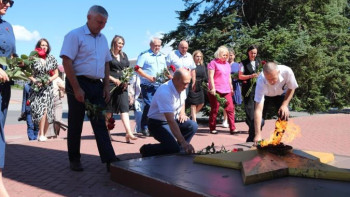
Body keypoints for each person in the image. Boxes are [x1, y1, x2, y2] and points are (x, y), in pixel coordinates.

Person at [60, 5, 118, 172]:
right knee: (76, 122)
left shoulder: (103, 38)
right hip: (77, 81)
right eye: (99, 22)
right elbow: (67, 62)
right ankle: (74, 159)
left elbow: (107, 63)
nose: (102, 26)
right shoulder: (74, 35)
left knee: (100, 121)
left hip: (96, 84)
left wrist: (106, 85)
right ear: (88, 17)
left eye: (105, 23)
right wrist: (77, 89)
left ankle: (109, 160)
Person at [139, 68, 197, 157]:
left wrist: (182, 113)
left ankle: (180, 149)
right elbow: (170, 120)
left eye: (188, 83)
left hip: (173, 119)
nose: (186, 86)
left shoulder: (181, 86)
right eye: (184, 83)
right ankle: (147, 149)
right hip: (157, 124)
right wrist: (183, 141)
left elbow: (182, 101)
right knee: (172, 148)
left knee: (192, 125)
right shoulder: (165, 92)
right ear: (175, 80)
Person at [253, 62, 298, 143]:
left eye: (273, 78)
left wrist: (284, 105)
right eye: (268, 79)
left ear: (278, 72)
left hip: (281, 94)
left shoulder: (287, 72)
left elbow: (292, 88)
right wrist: (258, 134)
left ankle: (276, 141)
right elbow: (258, 110)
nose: (272, 82)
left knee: (283, 115)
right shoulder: (261, 80)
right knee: (260, 121)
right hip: (266, 95)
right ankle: (254, 139)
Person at [135, 38, 168, 136]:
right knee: (149, 105)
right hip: (147, 85)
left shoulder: (162, 56)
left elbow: (165, 70)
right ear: (151, 45)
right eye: (155, 45)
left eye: (159, 45)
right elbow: (137, 69)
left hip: (159, 85)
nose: (157, 47)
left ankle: (153, 127)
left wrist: (172, 78)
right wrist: (148, 77)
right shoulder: (144, 55)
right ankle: (144, 127)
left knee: (157, 106)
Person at [106, 35, 137, 142]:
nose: (121, 45)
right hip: (110, 85)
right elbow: (102, 71)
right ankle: (107, 133)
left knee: (125, 109)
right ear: (114, 43)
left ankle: (129, 132)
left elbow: (127, 70)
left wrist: (126, 81)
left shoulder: (124, 56)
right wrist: (114, 80)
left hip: (122, 86)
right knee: (109, 111)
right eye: (119, 43)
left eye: (122, 43)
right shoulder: (107, 54)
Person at [28, 38, 59, 142]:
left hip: (48, 88)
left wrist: (49, 79)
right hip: (37, 88)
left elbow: (56, 73)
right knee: (39, 111)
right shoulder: (33, 58)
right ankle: (40, 133)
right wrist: (36, 81)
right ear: (38, 46)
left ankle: (43, 134)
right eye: (42, 45)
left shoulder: (52, 58)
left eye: (46, 45)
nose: (44, 47)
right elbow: (29, 74)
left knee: (47, 111)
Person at [0, 0, 15, 196]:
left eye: (12, 2)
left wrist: (25, 71)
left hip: (4, 87)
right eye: (6, 0)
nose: (9, 4)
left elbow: (13, 57)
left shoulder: (7, 26)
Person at [207, 46, 237, 135]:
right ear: (219, 54)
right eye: (224, 55)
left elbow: (228, 77)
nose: (225, 56)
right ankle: (212, 127)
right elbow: (211, 76)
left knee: (230, 108)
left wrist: (231, 86)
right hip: (216, 89)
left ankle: (233, 128)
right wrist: (212, 88)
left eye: (226, 55)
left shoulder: (227, 64)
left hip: (226, 89)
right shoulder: (213, 63)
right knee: (215, 109)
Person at [238, 45, 262, 142]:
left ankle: (254, 130)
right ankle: (252, 128)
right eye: (252, 53)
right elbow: (240, 76)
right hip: (247, 89)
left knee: (257, 109)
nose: (253, 55)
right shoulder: (243, 63)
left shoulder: (258, 62)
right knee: (249, 110)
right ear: (248, 53)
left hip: (257, 88)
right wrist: (250, 76)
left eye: (255, 53)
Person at [186, 50, 207, 122]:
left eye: (200, 56)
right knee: (193, 104)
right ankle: (194, 121)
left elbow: (205, 76)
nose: (199, 58)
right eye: (197, 56)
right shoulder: (191, 65)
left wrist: (207, 83)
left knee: (201, 103)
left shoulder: (203, 66)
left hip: (200, 85)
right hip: (192, 84)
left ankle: (190, 116)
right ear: (194, 57)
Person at [222, 48, 242, 127]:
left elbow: (241, 75)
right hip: (225, 85)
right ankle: (225, 120)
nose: (230, 57)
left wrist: (237, 77)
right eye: (228, 55)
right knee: (226, 103)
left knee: (233, 104)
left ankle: (231, 120)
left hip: (235, 85)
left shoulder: (238, 65)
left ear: (234, 56)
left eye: (231, 55)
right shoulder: (224, 64)